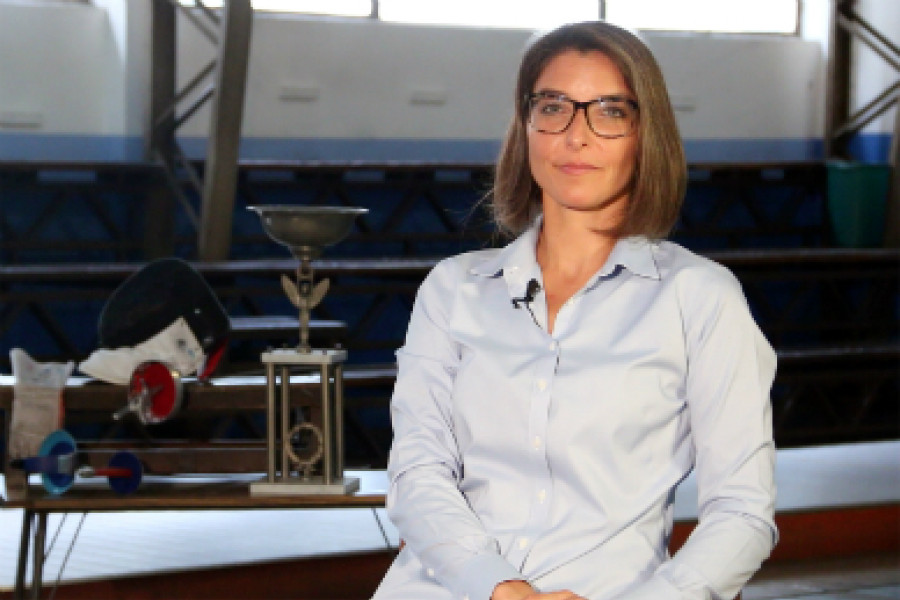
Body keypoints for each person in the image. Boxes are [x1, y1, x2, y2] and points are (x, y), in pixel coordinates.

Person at [372, 20, 777, 600]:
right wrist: (499, 587)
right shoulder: (453, 289)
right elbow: (418, 472)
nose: (576, 136)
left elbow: (741, 512)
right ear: (525, 127)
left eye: (610, 111)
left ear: (646, 134)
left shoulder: (700, 297)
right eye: (554, 107)